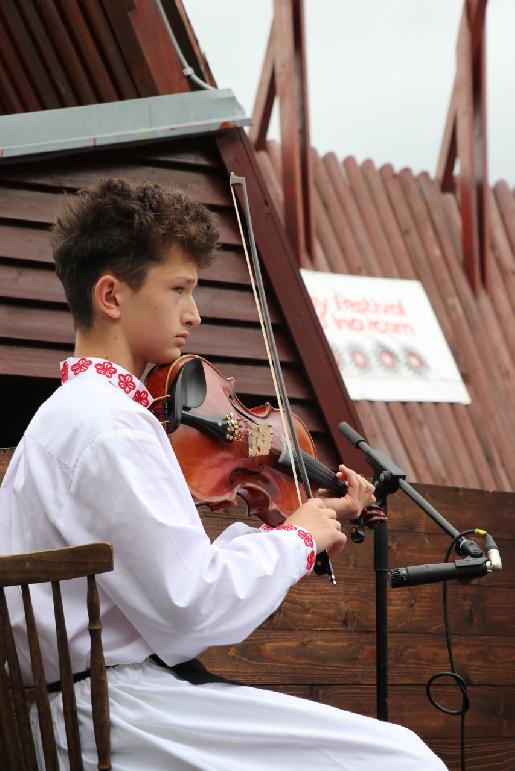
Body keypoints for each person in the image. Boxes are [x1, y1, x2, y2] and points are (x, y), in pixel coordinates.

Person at [0, 178, 446, 770]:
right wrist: (298, 539)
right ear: (111, 296)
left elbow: (175, 589)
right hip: (110, 716)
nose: (195, 311)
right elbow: (191, 609)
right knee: (401, 758)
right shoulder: (109, 424)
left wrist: (295, 536)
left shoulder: (75, 415)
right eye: (179, 288)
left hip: (91, 707)